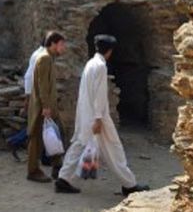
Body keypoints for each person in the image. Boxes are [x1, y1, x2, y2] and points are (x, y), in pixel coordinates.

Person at [54, 34, 150, 197]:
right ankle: (129, 184)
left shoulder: (90, 64)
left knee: (79, 146)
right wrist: (98, 119)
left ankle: (64, 179)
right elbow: (99, 95)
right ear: (110, 51)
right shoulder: (100, 66)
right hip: (97, 118)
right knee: (114, 149)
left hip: (87, 115)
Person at [27, 30, 67, 183]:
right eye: (61, 45)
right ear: (53, 44)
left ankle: (57, 166)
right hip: (42, 108)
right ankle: (33, 171)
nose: (63, 48)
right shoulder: (44, 59)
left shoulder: (48, 58)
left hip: (48, 107)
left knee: (56, 134)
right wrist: (45, 107)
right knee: (36, 138)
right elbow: (42, 86)